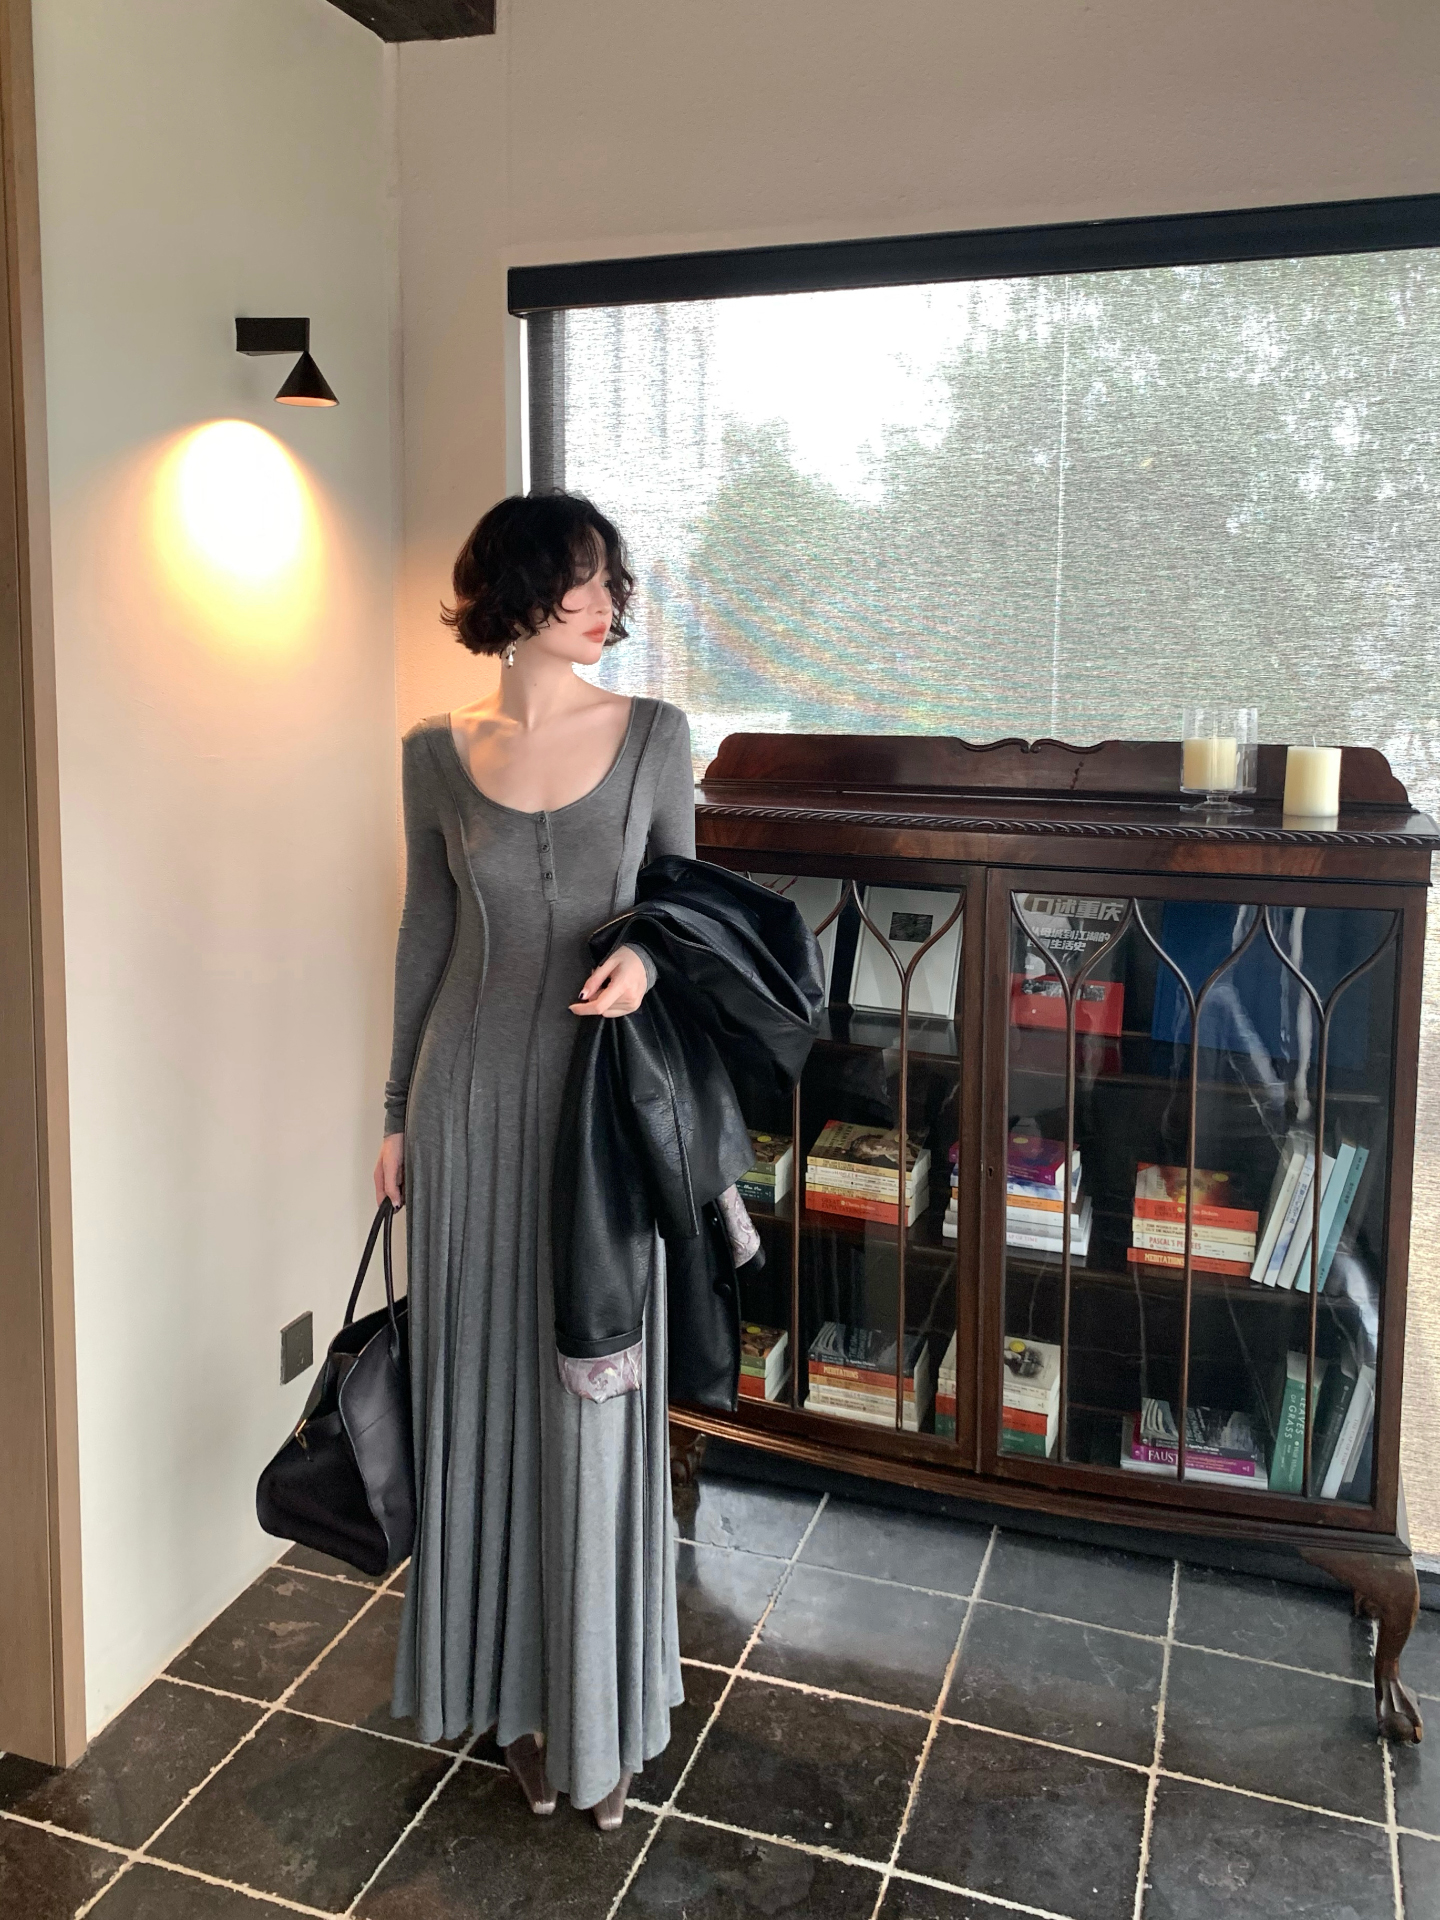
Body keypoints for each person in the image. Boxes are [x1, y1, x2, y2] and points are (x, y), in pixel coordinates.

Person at [374, 491, 694, 1831]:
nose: (609, 602)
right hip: (464, 1111)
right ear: (514, 591)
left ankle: (599, 1716)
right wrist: (397, 1112)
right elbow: (425, 933)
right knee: (480, 1398)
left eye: (614, 579)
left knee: (591, 1405)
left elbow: (685, 909)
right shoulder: (433, 754)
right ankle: (509, 1701)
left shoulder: (657, 737)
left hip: (597, 1125)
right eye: (582, 578)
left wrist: (645, 961)